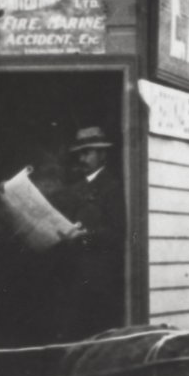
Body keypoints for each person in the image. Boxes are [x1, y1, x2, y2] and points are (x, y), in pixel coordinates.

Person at [50, 125, 126, 344]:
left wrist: (86, 236)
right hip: (72, 275)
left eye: (87, 153)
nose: (82, 159)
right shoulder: (74, 189)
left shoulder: (113, 188)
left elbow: (122, 233)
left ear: (102, 154)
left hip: (99, 280)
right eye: (79, 154)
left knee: (94, 336)